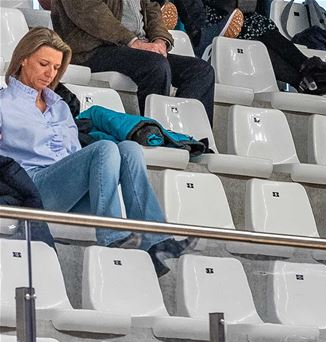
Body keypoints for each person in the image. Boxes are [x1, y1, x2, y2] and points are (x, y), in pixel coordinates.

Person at [0, 28, 187, 273]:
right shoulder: (3, 103)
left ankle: (155, 240)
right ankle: (112, 238)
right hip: (33, 189)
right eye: (44, 64)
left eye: (56, 68)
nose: (50, 74)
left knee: (130, 148)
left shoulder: (59, 106)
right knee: (104, 148)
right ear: (23, 59)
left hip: (69, 190)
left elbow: (73, 155)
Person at [51, 0, 215, 108]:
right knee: (155, 65)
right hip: (93, 49)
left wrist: (160, 39)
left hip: (137, 48)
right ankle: (155, 133)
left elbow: (151, 8)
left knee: (201, 71)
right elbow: (90, 13)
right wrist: (132, 41)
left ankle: (188, 137)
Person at [164, 0, 326, 95]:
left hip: (234, 16)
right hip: (205, 21)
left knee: (259, 25)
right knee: (253, 31)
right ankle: (307, 73)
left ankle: (306, 74)